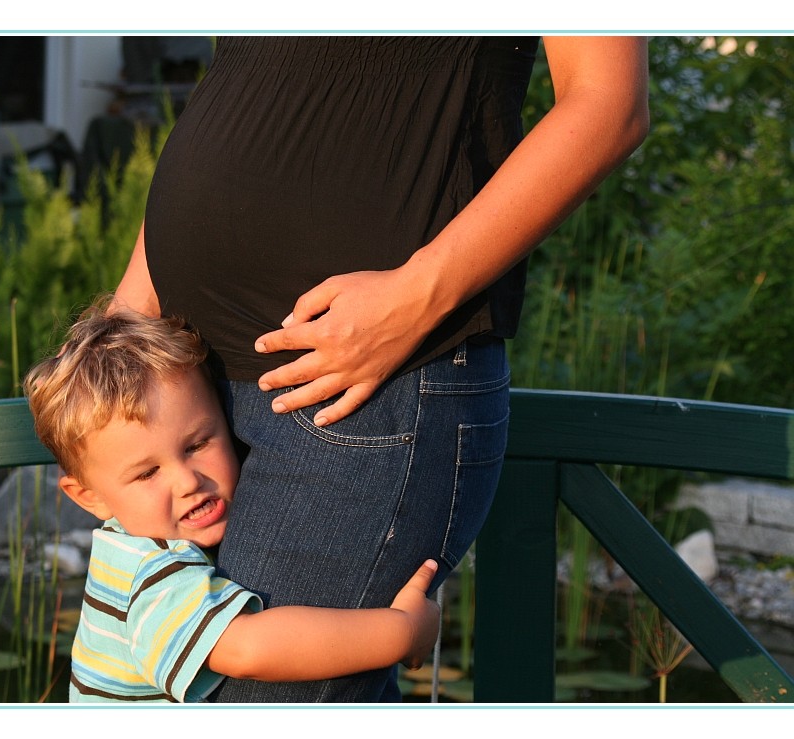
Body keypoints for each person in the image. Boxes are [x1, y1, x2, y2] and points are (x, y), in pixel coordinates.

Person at [112, 36, 650, 702]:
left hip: (364, 380)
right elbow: (247, 82)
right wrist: (124, 320)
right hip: (184, 379)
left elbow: (609, 102)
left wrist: (413, 297)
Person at [22, 300, 441, 703]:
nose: (188, 480)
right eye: (148, 473)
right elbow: (247, 650)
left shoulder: (129, 544)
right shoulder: (151, 577)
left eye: (198, 443)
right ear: (88, 496)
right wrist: (401, 633)